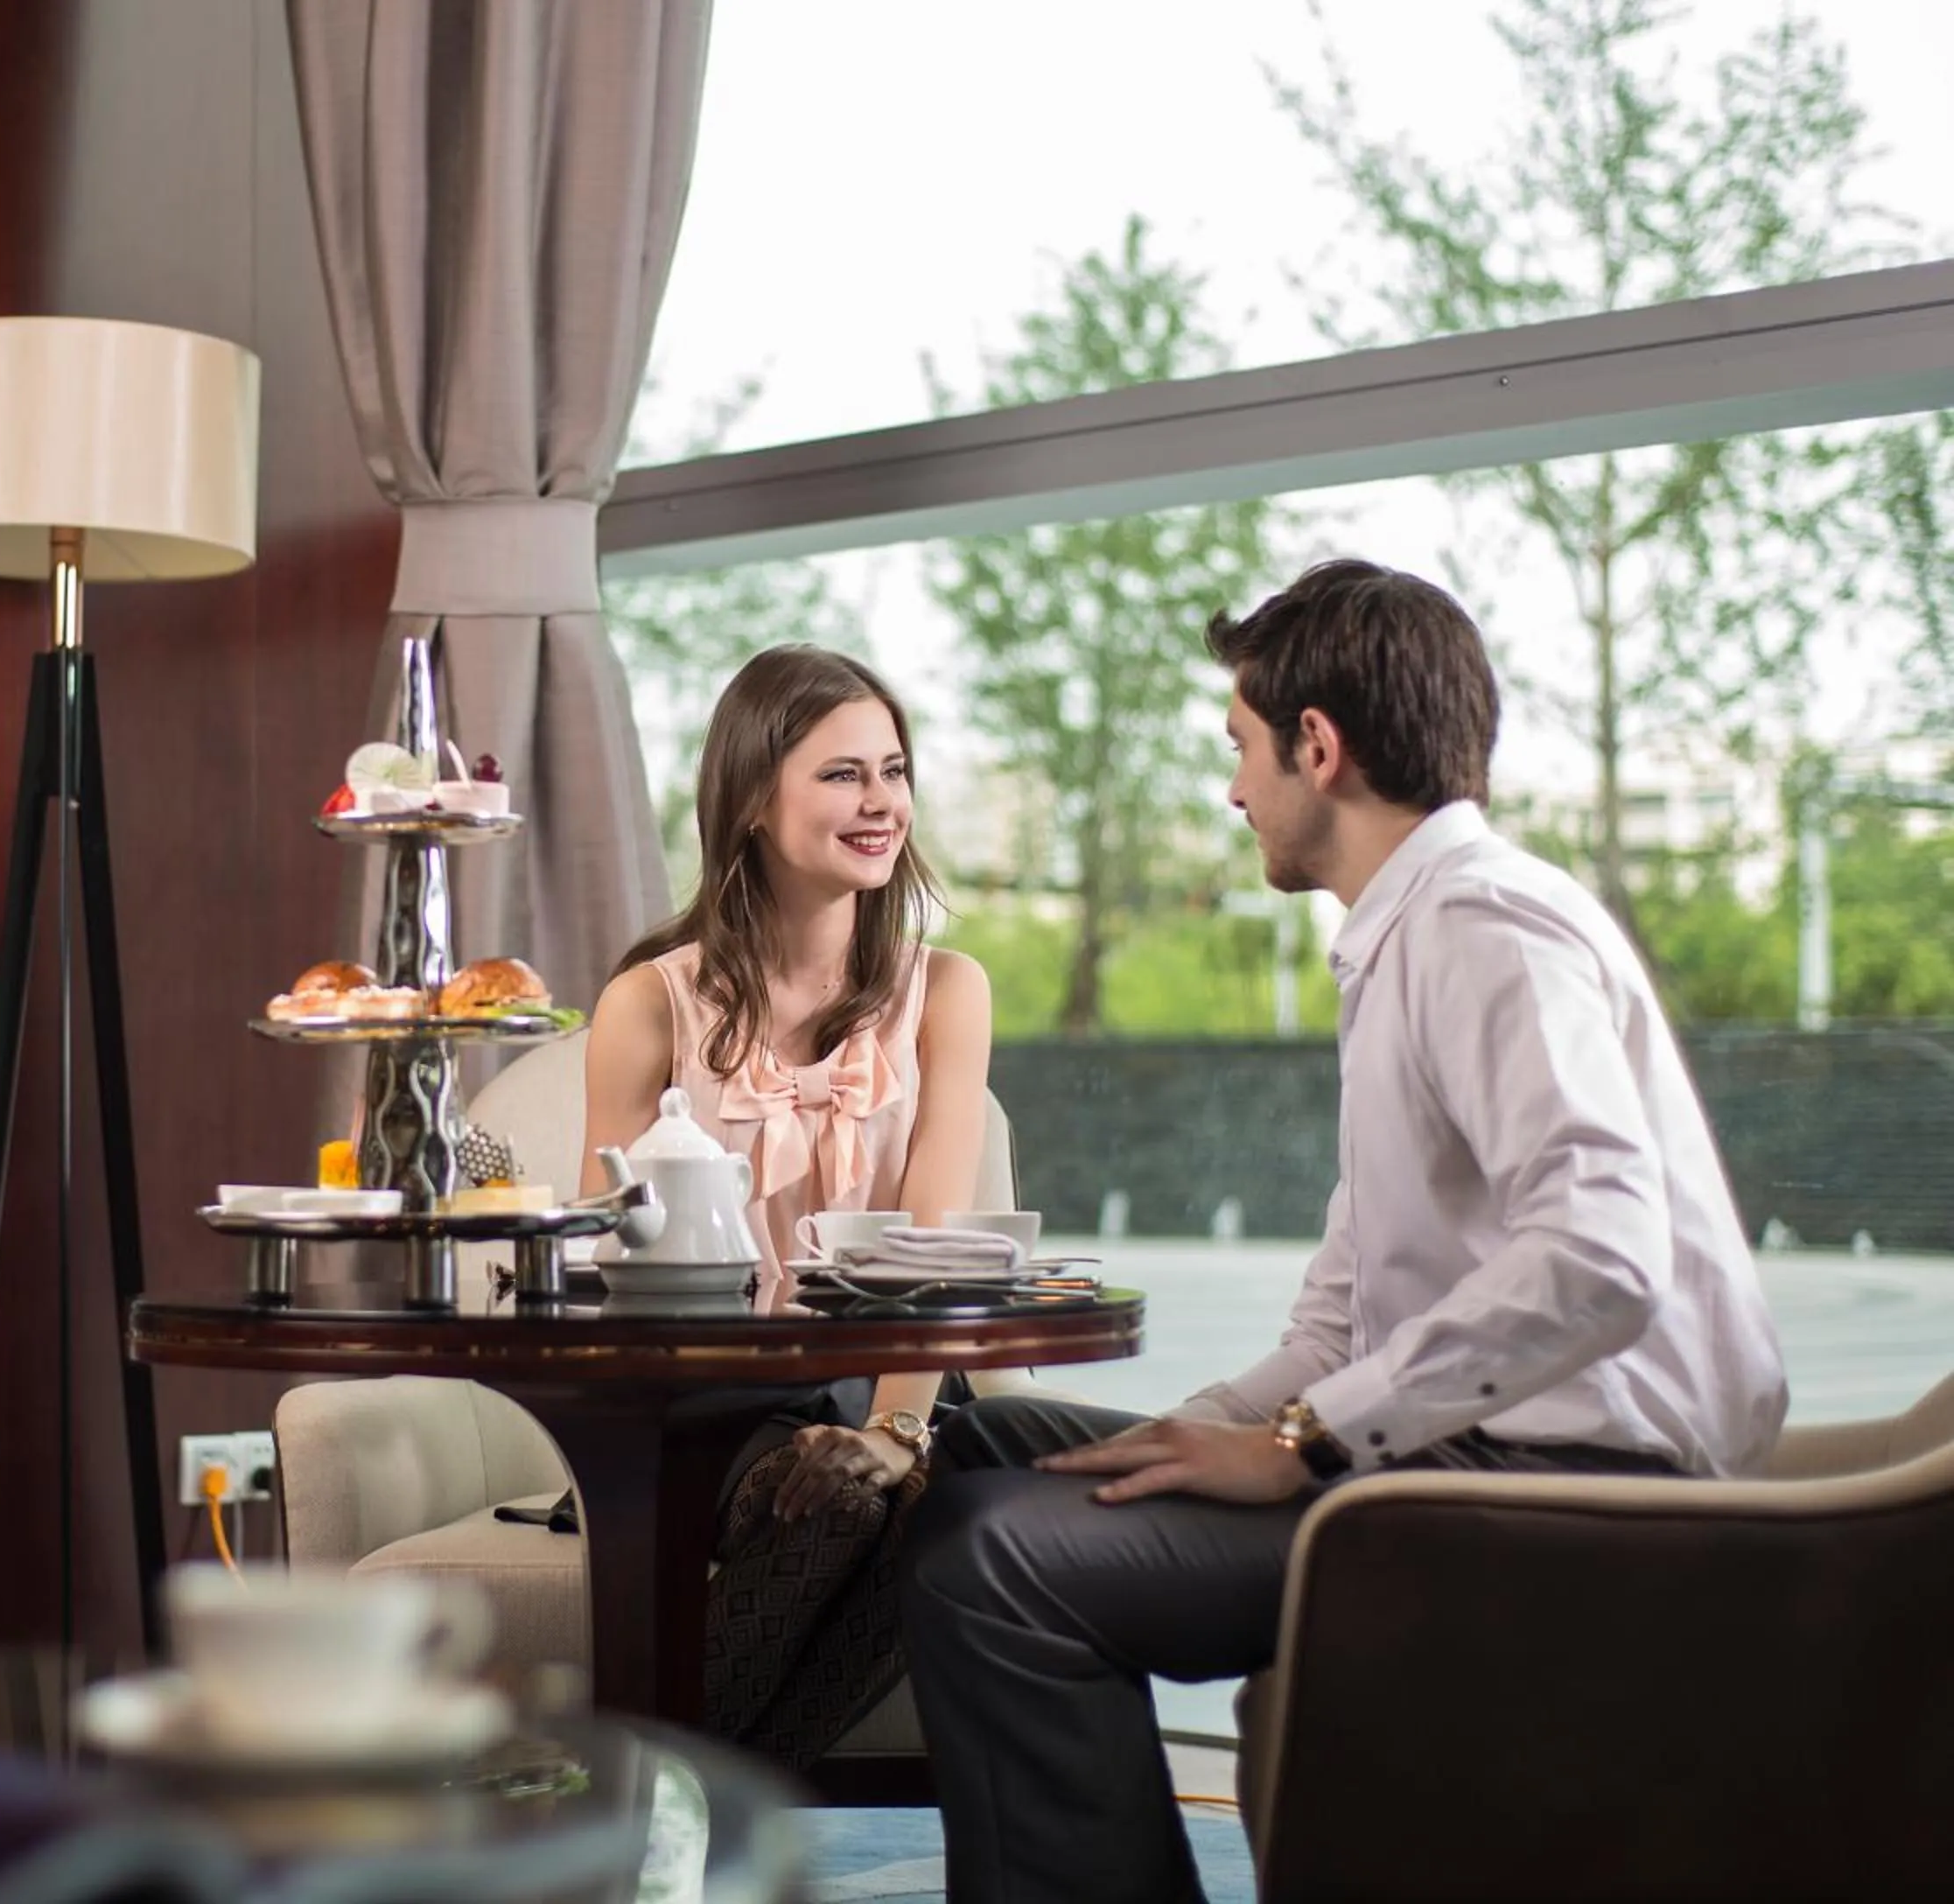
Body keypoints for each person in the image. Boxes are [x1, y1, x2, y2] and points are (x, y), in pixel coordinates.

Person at [898, 559, 1789, 1904]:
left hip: (1569, 1501)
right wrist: (1203, 1429)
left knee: (994, 1561)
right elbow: (1345, 1310)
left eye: (1240, 749)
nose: (1233, 792)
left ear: (1317, 746)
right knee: (993, 1445)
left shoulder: (1486, 925)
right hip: (1466, 1460)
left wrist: (1302, 1443)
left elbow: (1601, 1255)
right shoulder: (1402, 942)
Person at [579, 642, 995, 1767]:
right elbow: (607, 1251)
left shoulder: (948, 991)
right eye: (843, 774)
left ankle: (642, 1802)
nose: (882, 802)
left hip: (898, 1379)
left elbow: (937, 1242)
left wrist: (895, 1431)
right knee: (836, 1502)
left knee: (940, 1501)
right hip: (707, 1407)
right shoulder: (648, 1001)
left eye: (894, 771)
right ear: (754, 798)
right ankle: (673, 1807)